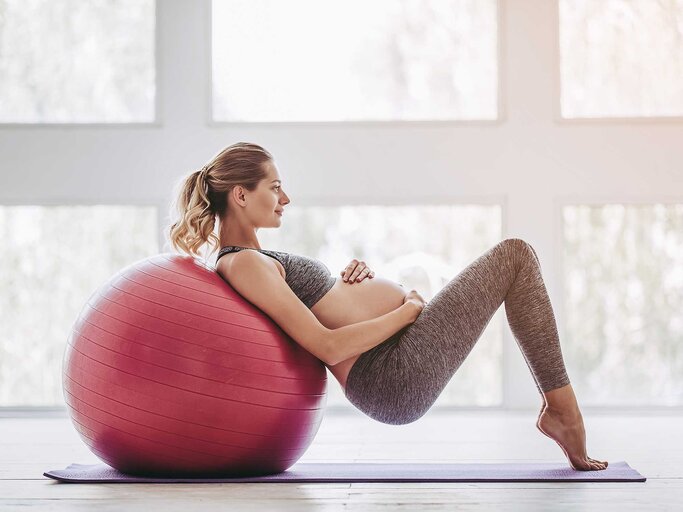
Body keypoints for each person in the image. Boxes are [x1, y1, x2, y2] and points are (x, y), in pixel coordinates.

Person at [167, 141, 608, 472]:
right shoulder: (242, 264)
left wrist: (351, 285)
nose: (286, 199)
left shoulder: (255, 260)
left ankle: (560, 411)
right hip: (389, 376)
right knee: (515, 256)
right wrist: (405, 309)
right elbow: (326, 344)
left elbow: (323, 310)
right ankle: (563, 412)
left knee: (516, 258)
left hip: (391, 361)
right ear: (240, 196)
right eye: (275, 187)